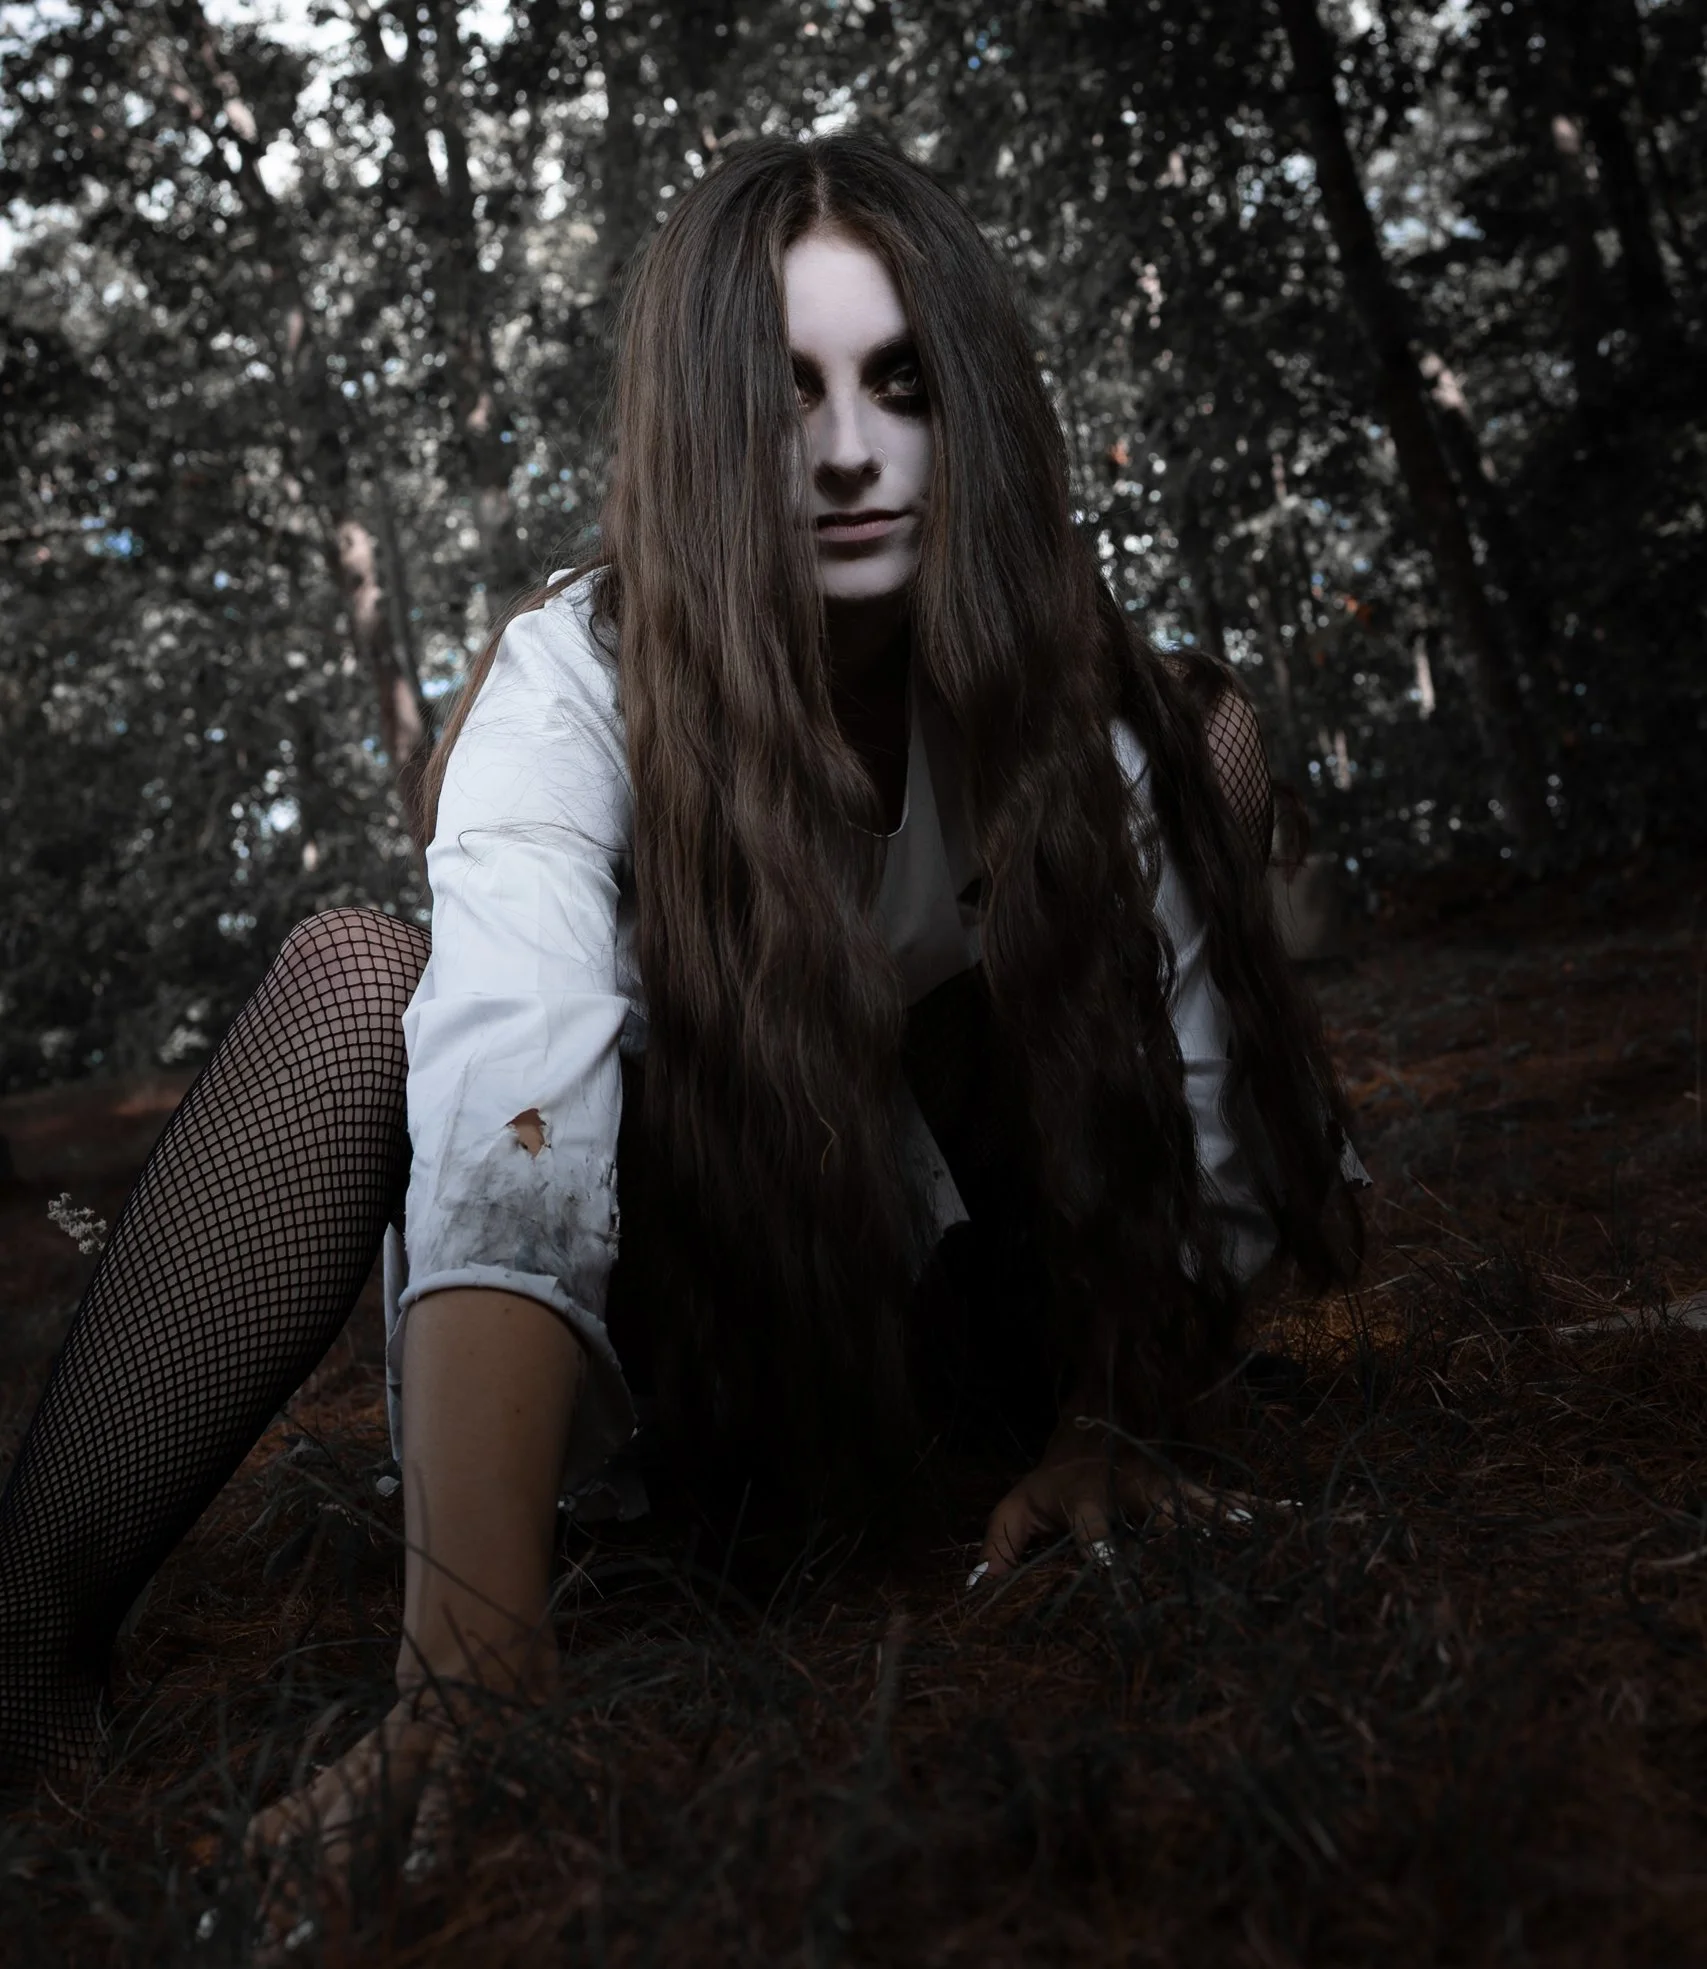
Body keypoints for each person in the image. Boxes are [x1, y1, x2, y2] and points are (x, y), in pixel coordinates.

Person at [0, 133, 1361, 1915]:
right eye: (789, 395)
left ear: (976, 412)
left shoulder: (1093, 707)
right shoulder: (572, 681)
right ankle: (28, 1631)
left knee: (1203, 736)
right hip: (717, 1349)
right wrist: (466, 1672)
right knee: (353, 981)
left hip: (979, 1338)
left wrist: (1126, 1418)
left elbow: (1185, 1124)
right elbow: (513, 1115)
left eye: (902, 384)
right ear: (705, 430)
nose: (854, 452)